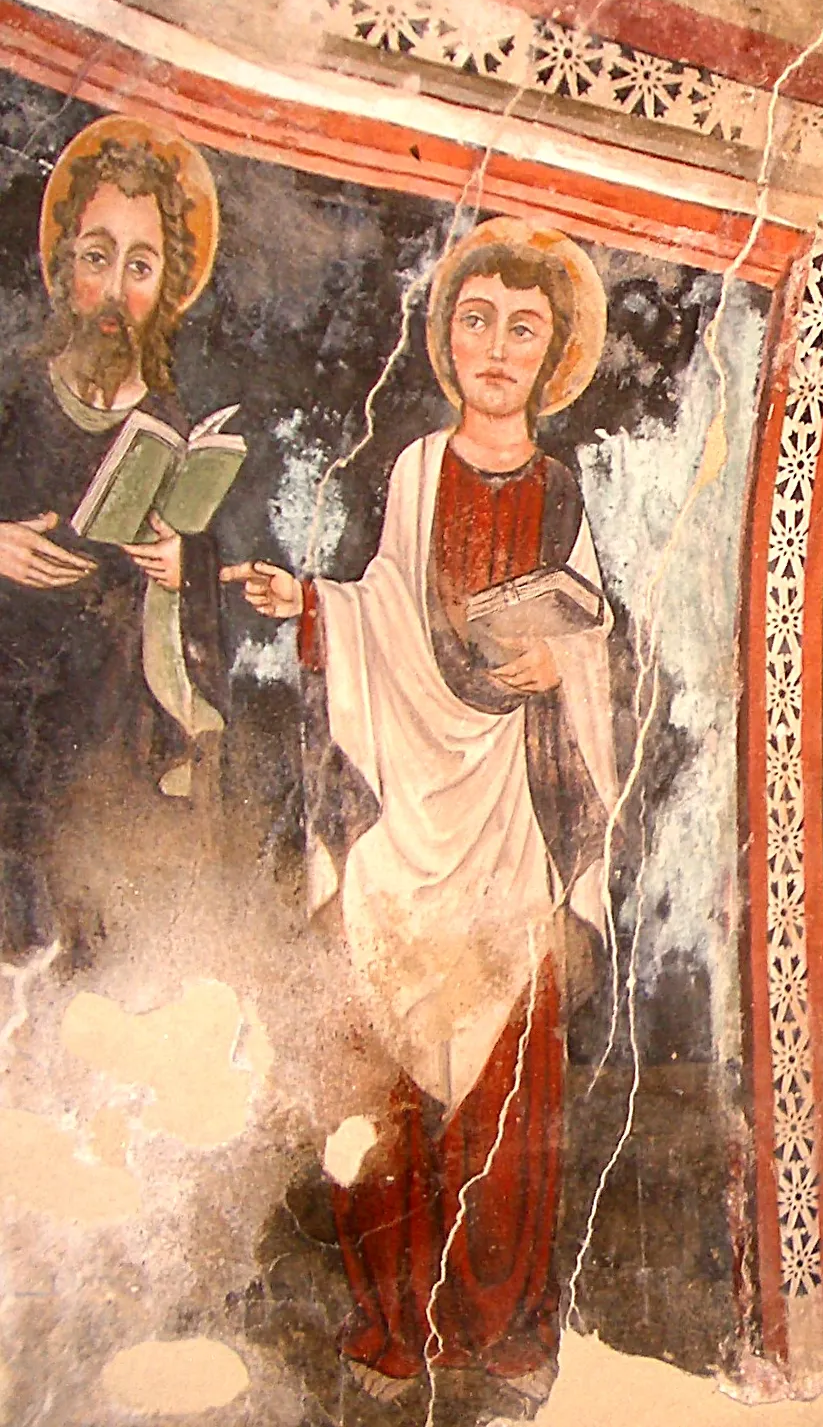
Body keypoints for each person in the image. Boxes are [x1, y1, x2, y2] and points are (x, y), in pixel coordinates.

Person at [225, 217, 617, 1404]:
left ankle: (495, 1328)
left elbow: (596, 645)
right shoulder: (415, 469)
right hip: (414, 800)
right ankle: (395, 1318)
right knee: (387, 1064)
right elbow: (384, 612)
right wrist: (310, 605)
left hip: (512, 811)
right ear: (448, 340)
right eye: (477, 320)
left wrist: (566, 669)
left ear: (554, 355)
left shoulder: (560, 487)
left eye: (526, 328)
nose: (499, 346)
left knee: (505, 1071)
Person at [0, 116, 227, 955]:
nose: (115, 289)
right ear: (65, 267)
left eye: (141, 267)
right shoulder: (15, 399)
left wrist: (184, 566)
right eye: (98, 256)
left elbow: (209, 618)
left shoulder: (170, 425)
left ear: (165, 289)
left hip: (112, 752)